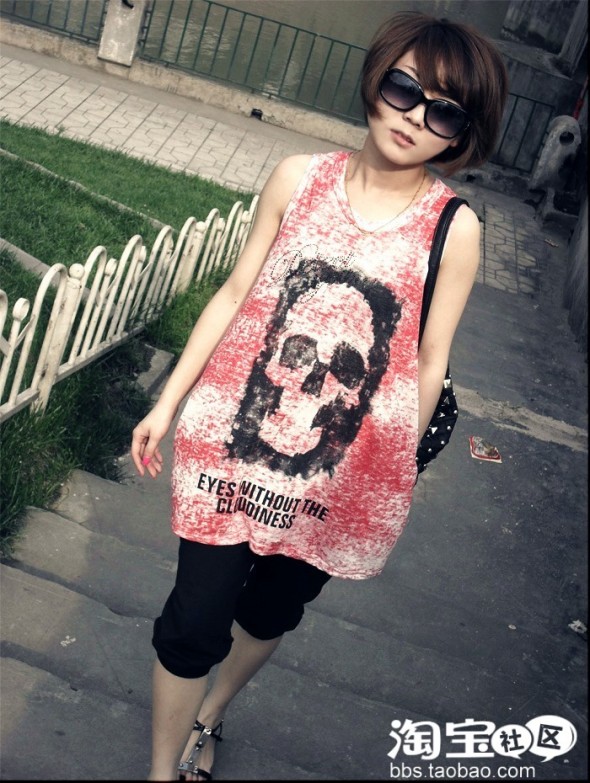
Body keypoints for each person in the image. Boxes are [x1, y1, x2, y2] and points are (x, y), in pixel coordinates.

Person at [131, 11, 508, 781]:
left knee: (270, 611)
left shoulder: (456, 229)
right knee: (193, 621)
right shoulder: (297, 178)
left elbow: (429, 361)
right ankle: (163, 771)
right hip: (230, 446)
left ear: (461, 133)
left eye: (444, 111)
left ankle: (210, 714)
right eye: (405, 88)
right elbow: (235, 291)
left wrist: (384, 474)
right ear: (378, 78)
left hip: (340, 475)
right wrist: (167, 403)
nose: (415, 116)